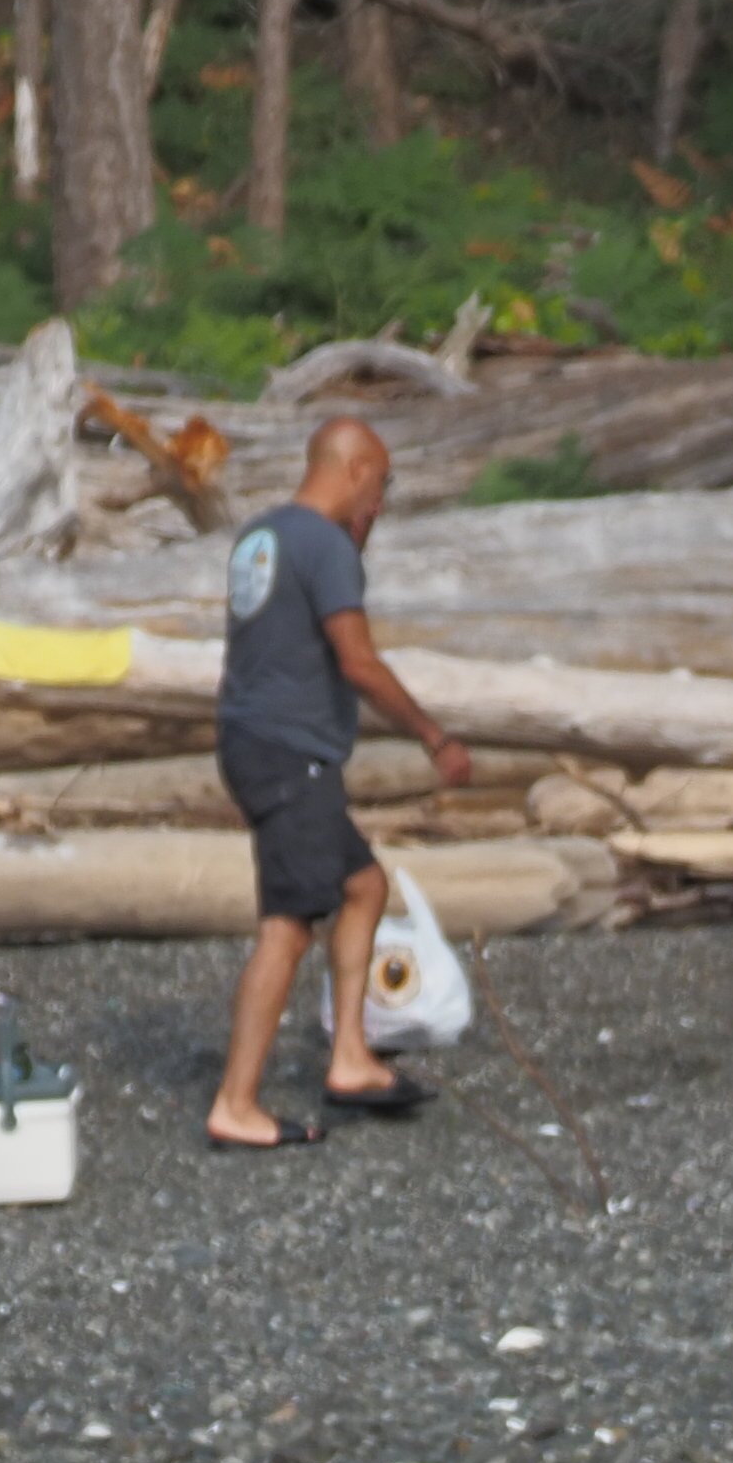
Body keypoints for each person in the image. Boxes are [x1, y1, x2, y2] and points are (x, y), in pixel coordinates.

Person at [204, 413, 474, 1152]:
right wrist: (433, 735)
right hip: (291, 754)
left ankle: (351, 1056)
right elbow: (356, 660)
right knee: (288, 928)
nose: (379, 505)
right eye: (380, 487)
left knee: (363, 886)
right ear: (353, 469)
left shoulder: (261, 536)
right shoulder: (325, 544)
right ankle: (236, 1102)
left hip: (255, 741)